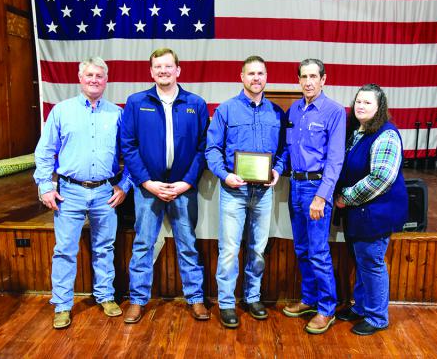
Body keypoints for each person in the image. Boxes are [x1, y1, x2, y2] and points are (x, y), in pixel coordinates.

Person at [34, 57, 132, 329]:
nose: (94, 80)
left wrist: (125, 185)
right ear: (80, 78)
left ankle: (105, 296)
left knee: (104, 247)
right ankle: (63, 305)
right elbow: (44, 152)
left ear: (106, 80)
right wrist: (45, 186)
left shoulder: (117, 114)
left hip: (104, 192)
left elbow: (131, 153)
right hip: (69, 192)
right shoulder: (61, 111)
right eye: (89, 75)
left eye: (99, 76)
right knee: (64, 250)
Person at [121, 48, 210, 323]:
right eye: (158, 67)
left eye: (168, 66)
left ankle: (195, 299)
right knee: (143, 243)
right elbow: (129, 145)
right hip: (148, 188)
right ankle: (136, 300)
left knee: (187, 244)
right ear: (151, 72)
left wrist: (186, 182)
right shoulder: (136, 103)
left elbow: (203, 148)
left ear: (178, 70)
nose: (163, 71)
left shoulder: (195, 103)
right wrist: (147, 182)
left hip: (183, 188)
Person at [205, 55, 286, 328]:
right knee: (228, 250)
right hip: (234, 192)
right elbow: (212, 149)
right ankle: (227, 303)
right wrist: (225, 175)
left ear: (266, 77)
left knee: (258, 249)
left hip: (263, 194)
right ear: (241, 77)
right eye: (251, 73)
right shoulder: (226, 110)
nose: (256, 78)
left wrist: (278, 169)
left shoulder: (276, 112)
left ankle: (252, 298)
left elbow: (284, 151)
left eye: (260, 73)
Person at [334, 83, 408, 335]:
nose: (361, 106)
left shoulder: (386, 134)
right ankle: (362, 307)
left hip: (376, 213)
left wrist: (346, 197)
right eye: (358, 101)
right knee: (362, 259)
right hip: (360, 213)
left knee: (372, 261)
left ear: (379, 107)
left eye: (367, 102)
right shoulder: (359, 131)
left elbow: (381, 178)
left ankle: (377, 317)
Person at [282, 59, 346, 334]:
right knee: (302, 249)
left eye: (313, 76)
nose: (308, 81)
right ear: (298, 80)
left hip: (316, 188)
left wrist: (322, 196)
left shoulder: (334, 111)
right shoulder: (294, 109)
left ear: (323, 79)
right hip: (295, 186)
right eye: (304, 76)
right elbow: (287, 150)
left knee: (319, 252)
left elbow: (335, 159)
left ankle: (326, 308)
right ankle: (309, 299)